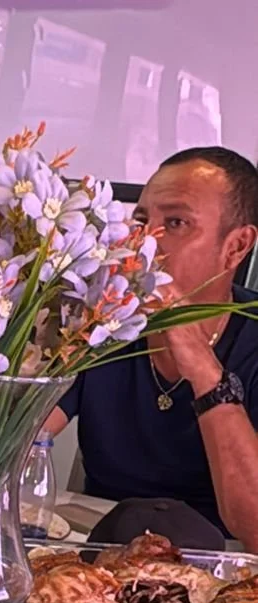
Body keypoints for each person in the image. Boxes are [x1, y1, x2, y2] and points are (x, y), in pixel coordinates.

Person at [46, 146, 258, 546]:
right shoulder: (102, 320)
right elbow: (12, 444)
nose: (145, 241)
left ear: (236, 246)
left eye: (176, 223)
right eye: (141, 220)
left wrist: (200, 363)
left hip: (224, 573)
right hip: (98, 557)